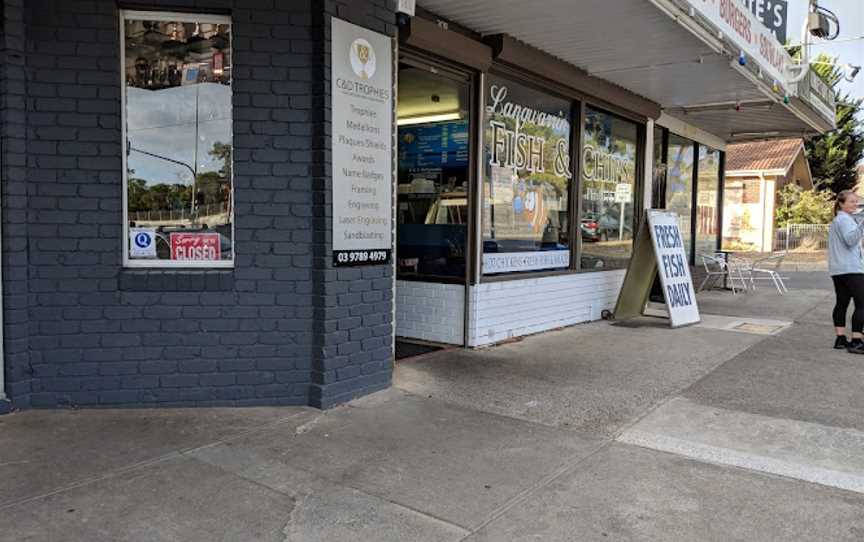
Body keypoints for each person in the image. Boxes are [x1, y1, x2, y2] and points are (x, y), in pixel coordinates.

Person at [828, 190, 864, 353]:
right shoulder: (844, 220)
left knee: (842, 303)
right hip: (851, 269)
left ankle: (840, 339)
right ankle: (857, 341)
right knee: (862, 304)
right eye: (852, 202)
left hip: (838, 270)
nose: (855, 204)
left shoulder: (839, 220)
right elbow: (851, 241)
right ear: (842, 203)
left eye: (856, 202)